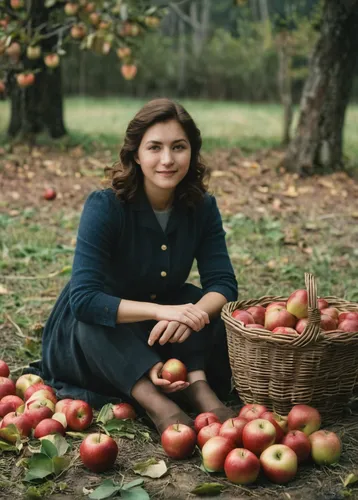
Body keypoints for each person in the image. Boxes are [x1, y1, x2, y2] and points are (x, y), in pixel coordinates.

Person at [30, 98, 238, 434]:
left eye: (179, 147)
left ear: (192, 153)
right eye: (154, 147)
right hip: (97, 333)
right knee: (94, 318)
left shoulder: (202, 207)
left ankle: (198, 387)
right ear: (136, 155)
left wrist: (192, 313)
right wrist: (161, 312)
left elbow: (223, 285)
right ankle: (156, 403)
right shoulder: (105, 206)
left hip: (159, 328)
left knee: (197, 300)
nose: (167, 159)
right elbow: (84, 299)